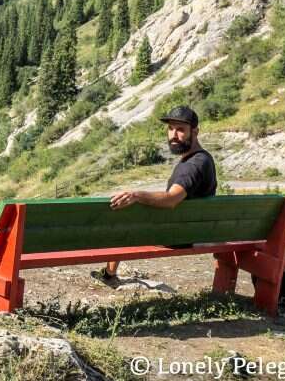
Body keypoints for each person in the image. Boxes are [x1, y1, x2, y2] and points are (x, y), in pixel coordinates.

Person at [91, 105, 218, 286]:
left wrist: (136, 195)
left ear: (195, 131)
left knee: (124, 217)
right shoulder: (204, 158)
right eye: (170, 128)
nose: (174, 134)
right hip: (193, 231)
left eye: (181, 129)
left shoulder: (192, 165)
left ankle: (109, 274)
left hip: (177, 237)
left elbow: (172, 199)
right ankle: (109, 273)